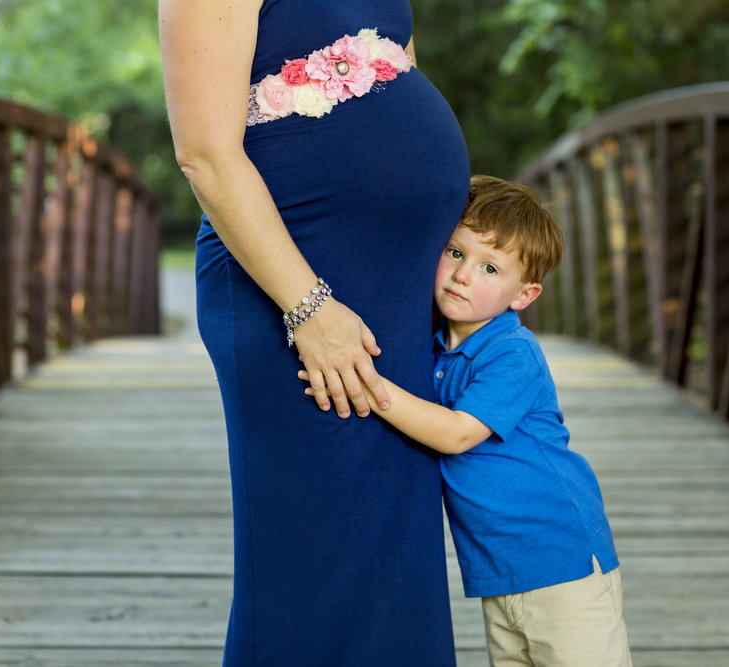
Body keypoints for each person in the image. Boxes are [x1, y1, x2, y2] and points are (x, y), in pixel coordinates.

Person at [158, 1, 469, 664]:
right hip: (293, 292)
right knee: (313, 565)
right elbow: (205, 155)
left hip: (396, 293)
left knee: (393, 552)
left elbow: (394, 76)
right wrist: (308, 308)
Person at [303, 176, 632, 666]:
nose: (462, 275)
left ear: (524, 295)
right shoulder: (433, 348)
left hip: (561, 563)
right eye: (455, 253)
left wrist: (366, 383)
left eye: (490, 267)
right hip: (500, 573)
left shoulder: (511, 353)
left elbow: (457, 433)